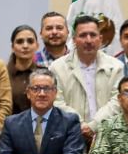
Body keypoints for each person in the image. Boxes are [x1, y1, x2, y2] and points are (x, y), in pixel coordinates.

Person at [51, 13, 123, 143]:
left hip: (108, 139)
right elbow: (57, 102)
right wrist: (80, 125)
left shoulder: (116, 66)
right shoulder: (57, 68)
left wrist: (93, 126)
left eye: (93, 35)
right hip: (70, 138)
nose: (88, 40)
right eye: (83, 35)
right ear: (74, 40)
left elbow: (117, 101)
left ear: (100, 39)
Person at [0, 68, 85, 154]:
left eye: (47, 89)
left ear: (55, 93)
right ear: (28, 93)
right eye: (36, 89)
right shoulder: (12, 123)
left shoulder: (70, 121)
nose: (42, 94)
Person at [5, 24, 39, 116]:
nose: (25, 46)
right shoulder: (2, 74)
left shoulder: (44, 74)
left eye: (30, 41)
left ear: (37, 46)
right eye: (20, 42)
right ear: (12, 47)